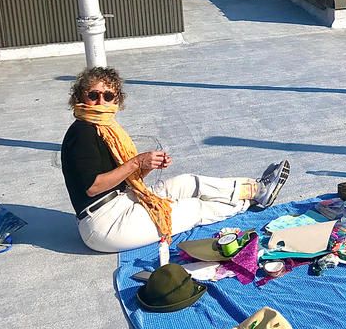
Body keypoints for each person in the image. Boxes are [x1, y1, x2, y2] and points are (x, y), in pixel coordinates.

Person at [61, 66, 290, 254]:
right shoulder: (82, 132)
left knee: (187, 182)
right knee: (191, 208)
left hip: (122, 200)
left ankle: (256, 188)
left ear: (116, 100)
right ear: (80, 97)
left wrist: (148, 165)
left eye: (108, 95)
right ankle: (246, 202)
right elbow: (93, 187)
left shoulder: (106, 128)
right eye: (93, 95)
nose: (101, 101)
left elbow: (123, 179)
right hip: (104, 225)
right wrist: (136, 162)